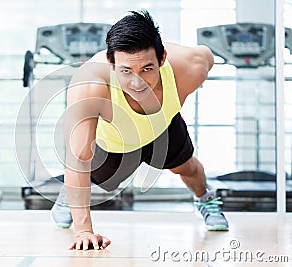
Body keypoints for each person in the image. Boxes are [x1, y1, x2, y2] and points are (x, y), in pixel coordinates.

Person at [51, 10, 229, 251]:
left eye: (147, 69)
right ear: (111, 63)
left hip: (161, 126)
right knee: (93, 177)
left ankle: (205, 200)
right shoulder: (89, 87)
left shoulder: (190, 68)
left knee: (187, 168)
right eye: (126, 71)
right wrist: (84, 231)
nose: (138, 83)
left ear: (162, 58)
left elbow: (206, 55)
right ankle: (67, 198)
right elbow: (78, 161)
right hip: (114, 139)